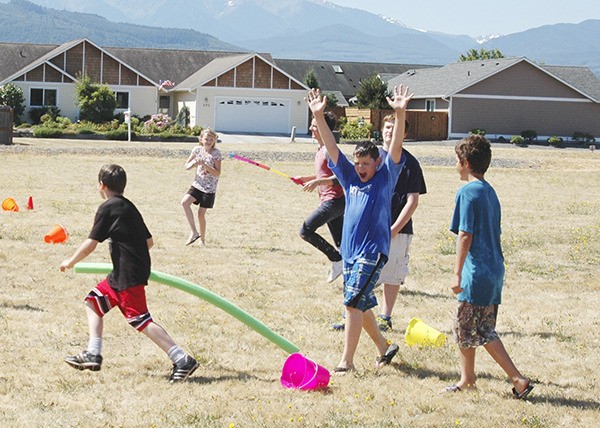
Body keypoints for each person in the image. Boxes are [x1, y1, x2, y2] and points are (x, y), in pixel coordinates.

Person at [306, 85, 412, 372]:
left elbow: (396, 147)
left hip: (372, 251)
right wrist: (318, 116)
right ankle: (384, 347)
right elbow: (331, 148)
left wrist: (400, 114)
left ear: (377, 163)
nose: (362, 167)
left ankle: (347, 361)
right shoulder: (350, 178)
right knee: (361, 303)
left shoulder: (385, 176)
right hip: (350, 252)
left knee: (352, 303)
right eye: (358, 162)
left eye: (367, 163)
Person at [60, 164, 198, 383]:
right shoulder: (128, 206)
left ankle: (182, 359)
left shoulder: (108, 208)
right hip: (123, 272)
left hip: (128, 274)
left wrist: (70, 261)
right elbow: (149, 242)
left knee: (139, 318)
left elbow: (90, 244)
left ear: (101, 185)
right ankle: (93, 354)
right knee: (93, 302)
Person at [446, 135, 533, 399]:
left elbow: (465, 234)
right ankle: (467, 378)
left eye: (457, 161)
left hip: (477, 273)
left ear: (466, 162)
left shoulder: (467, 192)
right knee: (469, 327)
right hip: (494, 270)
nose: (456, 166)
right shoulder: (489, 191)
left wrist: (457, 272)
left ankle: (518, 380)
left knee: (476, 329)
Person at [375, 117, 427, 332]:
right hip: (372, 227)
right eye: (387, 127)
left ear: (404, 135)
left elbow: (413, 200)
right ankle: (354, 313)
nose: (390, 132)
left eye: (396, 129)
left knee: (393, 273)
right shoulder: (372, 157)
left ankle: (385, 316)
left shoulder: (410, 163)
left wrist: (395, 229)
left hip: (398, 229)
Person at [292, 112, 345, 283]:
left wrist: (317, 182)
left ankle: (336, 260)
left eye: (315, 125)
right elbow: (322, 174)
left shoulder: (330, 151)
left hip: (334, 202)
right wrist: (306, 179)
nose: (311, 128)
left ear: (324, 129)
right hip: (330, 201)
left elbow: (342, 177)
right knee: (342, 243)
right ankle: (353, 271)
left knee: (306, 231)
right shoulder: (320, 150)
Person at [181, 128, 222, 246]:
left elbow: (217, 173)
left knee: (201, 214)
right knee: (184, 202)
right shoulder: (197, 150)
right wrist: (194, 164)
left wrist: (205, 165)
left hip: (209, 188)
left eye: (211, 139)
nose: (208, 141)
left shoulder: (216, 154)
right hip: (197, 184)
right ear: (201, 139)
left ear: (214, 140)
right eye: (206, 139)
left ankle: (202, 240)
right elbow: (186, 166)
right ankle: (194, 232)